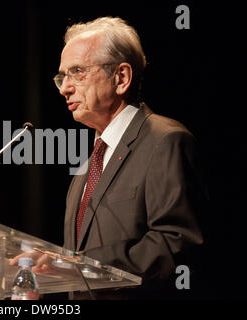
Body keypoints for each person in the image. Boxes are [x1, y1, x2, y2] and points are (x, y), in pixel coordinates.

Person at [54, 17, 206, 299]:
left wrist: (80, 266)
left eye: (77, 72)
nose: (65, 88)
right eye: (62, 77)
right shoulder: (90, 162)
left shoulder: (166, 140)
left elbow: (175, 243)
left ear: (121, 78)